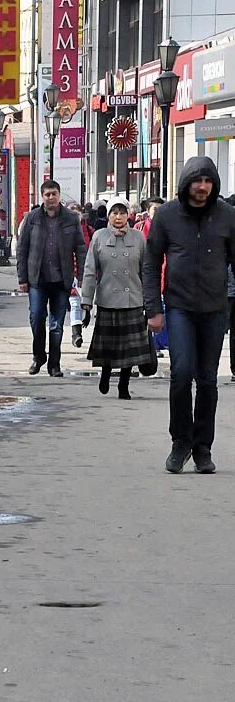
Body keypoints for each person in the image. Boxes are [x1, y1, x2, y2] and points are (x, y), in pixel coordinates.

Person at [144, 156, 235, 474]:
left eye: (208, 181)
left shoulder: (227, 216)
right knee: (182, 373)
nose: (203, 187)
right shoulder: (167, 215)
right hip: (179, 307)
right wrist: (153, 309)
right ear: (186, 183)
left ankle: (202, 449)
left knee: (208, 381)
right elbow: (151, 263)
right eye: (197, 181)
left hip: (215, 309)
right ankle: (180, 442)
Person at [81, 197, 156, 400]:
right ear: (108, 215)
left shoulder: (139, 238)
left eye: (122, 213)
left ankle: (124, 385)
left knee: (129, 350)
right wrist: (86, 303)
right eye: (114, 213)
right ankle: (105, 375)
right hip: (107, 300)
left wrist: (151, 302)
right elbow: (89, 271)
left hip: (132, 299)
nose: (118, 217)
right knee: (108, 346)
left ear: (128, 215)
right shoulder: (98, 237)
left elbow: (147, 271)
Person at [16, 180, 87, 376]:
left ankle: (54, 364)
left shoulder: (71, 219)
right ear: (42, 197)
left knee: (57, 324)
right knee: (37, 317)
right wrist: (22, 278)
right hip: (37, 279)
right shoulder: (32, 219)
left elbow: (80, 249)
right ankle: (38, 357)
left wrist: (81, 277)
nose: (51, 198)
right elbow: (22, 250)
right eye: (47, 195)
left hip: (61, 279)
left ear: (59, 195)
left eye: (54, 194)